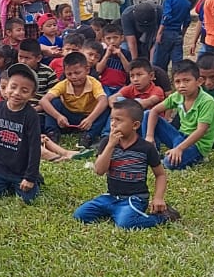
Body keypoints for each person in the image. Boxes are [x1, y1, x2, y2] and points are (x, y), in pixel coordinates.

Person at [76, 98, 178, 229]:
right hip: (111, 196)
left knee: (125, 224)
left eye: (119, 120)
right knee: (80, 215)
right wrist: (110, 145)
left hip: (135, 198)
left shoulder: (146, 148)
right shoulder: (107, 143)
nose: (113, 124)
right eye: (112, 119)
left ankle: (162, 217)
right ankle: (116, 212)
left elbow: (160, 175)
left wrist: (158, 197)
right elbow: (99, 171)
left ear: (135, 125)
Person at [0, 63, 42, 202]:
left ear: (32, 94)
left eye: (24, 90)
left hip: (21, 170)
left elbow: (35, 148)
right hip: (0, 167)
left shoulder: (31, 115)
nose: (16, 93)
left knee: (28, 200)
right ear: (5, 86)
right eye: (13, 87)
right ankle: (6, 182)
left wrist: (30, 177)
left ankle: (36, 179)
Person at [145, 60, 214, 170]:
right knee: (148, 113)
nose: (181, 85)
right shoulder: (178, 96)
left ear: (199, 81)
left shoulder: (207, 101)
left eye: (186, 80)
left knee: (169, 163)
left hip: (197, 145)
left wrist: (179, 149)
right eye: (177, 82)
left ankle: (197, 158)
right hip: (179, 136)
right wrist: (149, 137)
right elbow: (154, 111)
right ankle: (153, 151)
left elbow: (201, 131)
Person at [39, 52, 110, 148]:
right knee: (54, 102)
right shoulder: (63, 84)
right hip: (69, 117)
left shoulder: (94, 83)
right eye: (69, 74)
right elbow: (43, 101)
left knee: (105, 108)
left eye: (77, 73)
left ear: (87, 70)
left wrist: (90, 119)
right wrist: (58, 116)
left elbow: (103, 100)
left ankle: (88, 136)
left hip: (88, 117)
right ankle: (52, 134)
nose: (73, 77)